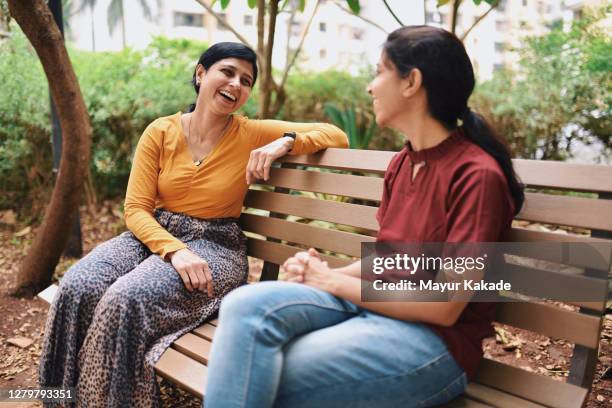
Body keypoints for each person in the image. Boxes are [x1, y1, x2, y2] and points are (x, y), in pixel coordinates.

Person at [204, 26, 525, 408]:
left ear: (412, 82)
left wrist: (333, 284)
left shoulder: (476, 175)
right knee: (243, 305)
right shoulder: (403, 164)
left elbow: (445, 304)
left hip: (436, 342)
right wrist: (321, 276)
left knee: (264, 373)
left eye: (379, 72)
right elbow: (390, 258)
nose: (370, 88)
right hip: (376, 308)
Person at [39, 42, 348, 407]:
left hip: (215, 246)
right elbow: (136, 208)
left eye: (246, 81)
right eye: (227, 72)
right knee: (78, 285)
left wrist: (285, 142)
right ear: (201, 74)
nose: (236, 84)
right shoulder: (161, 131)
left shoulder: (251, 133)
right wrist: (175, 250)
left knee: (125, 299)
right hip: (156, 235)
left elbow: (335, 135)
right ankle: (59, 400)